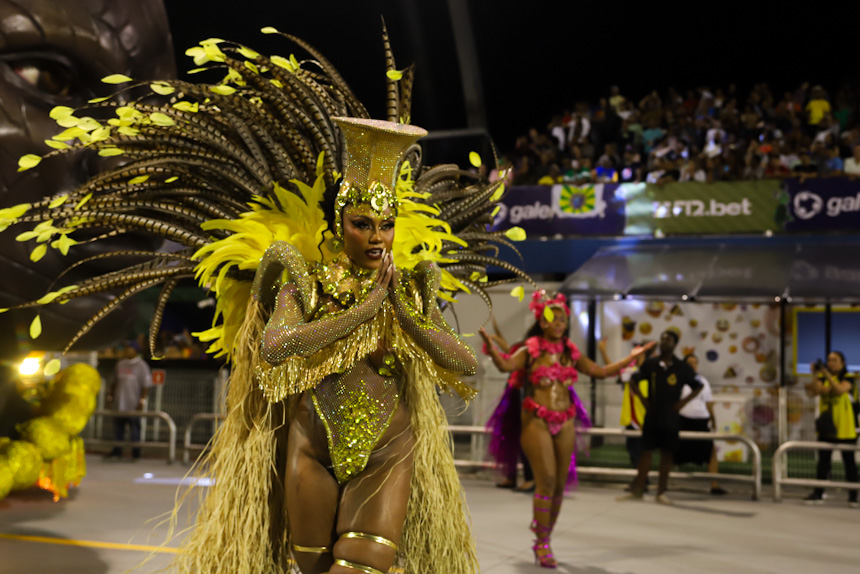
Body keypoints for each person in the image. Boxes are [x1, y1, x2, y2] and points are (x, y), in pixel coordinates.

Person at [0, 32, 532, 574]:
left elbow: (462, 363)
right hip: (311, 449)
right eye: (363, 224)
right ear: (338, 225)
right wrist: (360, 314)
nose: (377, 238)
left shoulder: (409, 284)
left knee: (363, 565)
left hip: (388, 449)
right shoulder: (300, 277)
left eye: (387, 226)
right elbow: (276, 347)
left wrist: (404, 316)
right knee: (316, 567)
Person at [480, 291, 652, 568]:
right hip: (536, 419)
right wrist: (490, 346)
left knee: (559, 484)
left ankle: (544, 539)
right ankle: (541, 542)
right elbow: (506, 366)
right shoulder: (530, 349)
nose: (559, 323)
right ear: (542, 321)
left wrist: (631, 358)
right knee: (546, 479)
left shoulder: (570, 352)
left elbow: (600, 371)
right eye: (553, 318)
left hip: (566, 419)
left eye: (563, 319)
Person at [617, 330, 702, 505]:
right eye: (662, 339)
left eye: (668, 340)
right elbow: (634, 379)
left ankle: (661, 492)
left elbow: (697, 386)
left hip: (670, 418)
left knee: (666, 455)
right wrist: (643, 399)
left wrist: (681, 404)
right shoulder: (651, 364)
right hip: (652, 416)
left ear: (675, 343)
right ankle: (638, 490)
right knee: (645, 453)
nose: (664, 342)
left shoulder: (681, 367)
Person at [803, 351, 858, 506]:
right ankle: (818, 493)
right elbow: (814, 391)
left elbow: (840, 390)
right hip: (827, 427)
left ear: (842, 363)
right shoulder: (822, 377)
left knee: (849, 463)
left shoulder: (848, 377)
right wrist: (815, 374)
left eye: (835, 360)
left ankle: (853, 497)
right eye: (829, 360)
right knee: (823, 462)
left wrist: (826, 376)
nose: (831, 362)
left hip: (846, 428)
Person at [600, 339, 655, 492]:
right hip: (632, 417)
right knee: (633, 449)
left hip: (644, 416)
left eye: (638, 350)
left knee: (641, 450)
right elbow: (612, 369)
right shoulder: (630, 369)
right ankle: (642, 479)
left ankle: (642, 480)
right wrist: (603, 350)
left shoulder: (650, 370)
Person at [677, 354, 726, 495]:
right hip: (683, 419)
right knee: (672, 451)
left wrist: (713, 419)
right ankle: (665, 482)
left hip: (701, 421)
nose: (693, 365)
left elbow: (708, 403)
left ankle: (714, 485)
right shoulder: (680, 380)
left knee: (711, 452)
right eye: (690, 362)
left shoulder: (703, 381)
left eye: (695, 362)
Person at [104, 341, 152, 461]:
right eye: (127, 348)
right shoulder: (120, 364)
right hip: (120, 403)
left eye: (130, 349)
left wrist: (141, 401)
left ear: (135, 350)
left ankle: (136, 453)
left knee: (135, 429)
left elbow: (146, 385)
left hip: (133, 403)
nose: (127, 351)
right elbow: (114, 382)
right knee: (118, 429)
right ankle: (117, 451)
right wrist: (111, 397)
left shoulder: (142, 365)